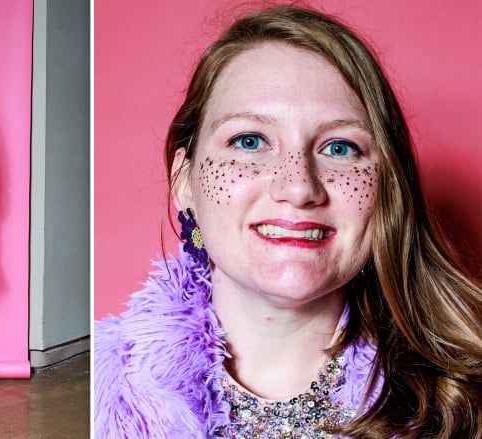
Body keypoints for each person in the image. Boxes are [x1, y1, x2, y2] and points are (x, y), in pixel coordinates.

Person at [94, 5, 482, 438]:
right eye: (249, 141)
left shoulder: (467, 401)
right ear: (184, 181)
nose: (298, 187)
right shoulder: (98, 394)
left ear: (387, 185)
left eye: (339, 148)